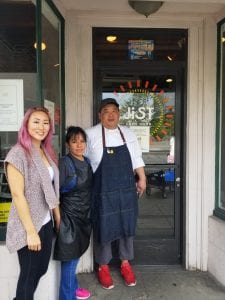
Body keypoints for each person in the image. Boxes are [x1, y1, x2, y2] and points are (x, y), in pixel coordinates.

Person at [85, 98, 146, 289]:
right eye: (106, 111)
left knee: (127, 225)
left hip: (126, 189)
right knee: (103, 226)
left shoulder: (127, 133)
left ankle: (125, 264)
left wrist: (142, 178)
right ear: (99, 115)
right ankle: (103, 266)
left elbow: (136, 157)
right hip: (102, 190)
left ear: (119, 114)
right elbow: (82, 161)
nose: (110, 115)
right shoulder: (90, 134)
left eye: (114, 111)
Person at [4, 107, 60, 300]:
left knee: (40, 269)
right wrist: (30, 232)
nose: (41, 126)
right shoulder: (18, 154)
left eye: (46, 122)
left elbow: (51, 189)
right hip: (27, 224)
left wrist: (57, 217)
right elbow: (18, 195)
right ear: (26, 125)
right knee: (28, 276)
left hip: (45, 221)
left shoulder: (46, 151)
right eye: (36, 121)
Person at [54, 126, 93, 300]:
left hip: (83, 216)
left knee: (75, 254)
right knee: (70, 261)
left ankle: (74, 287)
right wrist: (58, 218)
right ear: (68, 144)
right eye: (74, 141)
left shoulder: (86, 161)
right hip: (68, 218)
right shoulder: (64, 163)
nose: (79, 145)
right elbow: (54, 193)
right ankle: (67, 297)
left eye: (82, 141)